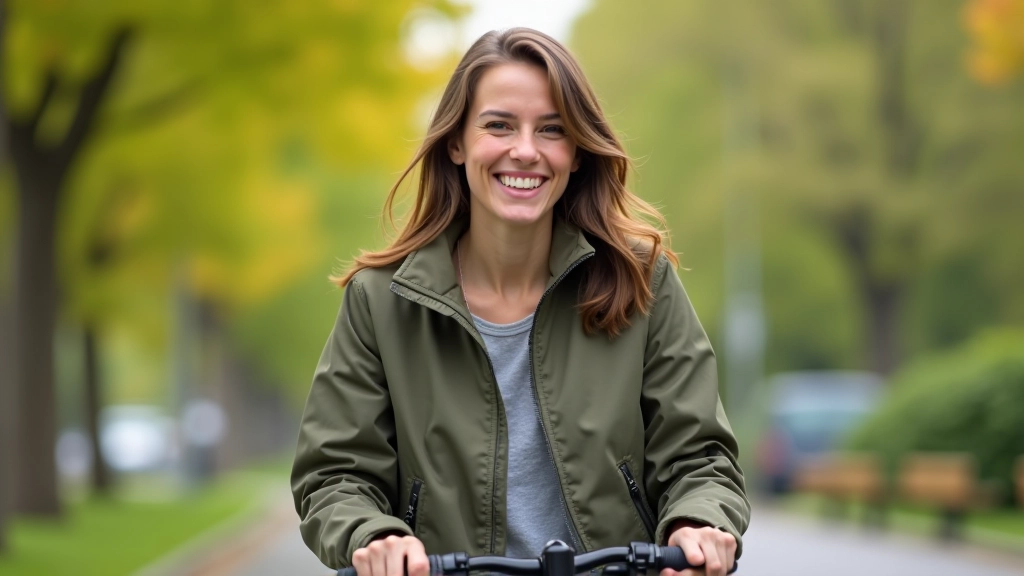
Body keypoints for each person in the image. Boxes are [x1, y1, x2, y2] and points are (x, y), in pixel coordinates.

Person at [291, 27, 749, 576]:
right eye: (499, 125)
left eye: (551, 130)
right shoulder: (380, 301)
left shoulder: (642, 282)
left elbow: (700, 458)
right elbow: (335, 474)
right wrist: (376, 535)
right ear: (457, 143)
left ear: (576, 152)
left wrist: (697, 522)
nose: (526, 151)